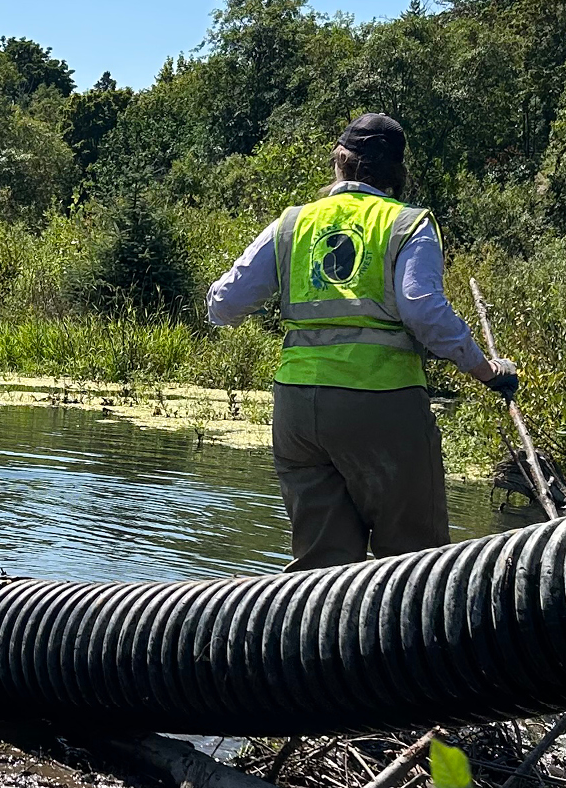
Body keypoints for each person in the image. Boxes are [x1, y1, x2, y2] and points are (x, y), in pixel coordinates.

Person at [206, 113, 517, 571]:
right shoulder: (409, 224)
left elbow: (223, 304)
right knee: (414, 564)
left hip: (297, 413)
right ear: (396, 171)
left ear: (341, 163)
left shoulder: (293, 224)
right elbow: (423, 310)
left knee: (320, 569)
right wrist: (487, 371)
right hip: (381, 407)